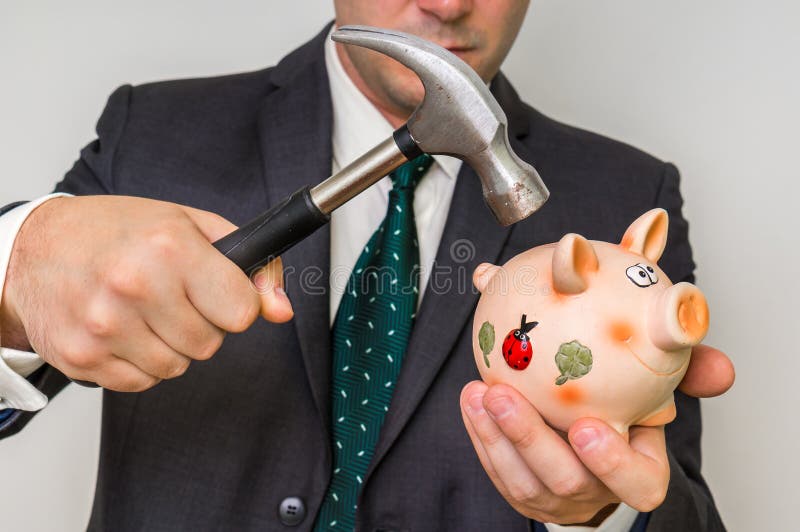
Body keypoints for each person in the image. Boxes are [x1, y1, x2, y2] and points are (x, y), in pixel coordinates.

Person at [0, 1, 734, 530]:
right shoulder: (152, 134)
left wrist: (599, 514)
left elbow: (679, 505)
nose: (448, 4)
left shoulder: (627, 195)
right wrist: (14, 272)